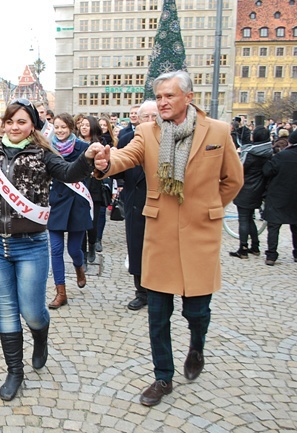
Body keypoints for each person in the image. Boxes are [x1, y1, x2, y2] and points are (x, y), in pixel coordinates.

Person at [87, 70, 243, 406]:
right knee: (158, 315)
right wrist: (104, 163)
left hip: (201, 235)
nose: (162, 103)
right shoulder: (148, 131)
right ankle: (162, 377)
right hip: (158, 236)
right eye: (158, 97)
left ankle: (197, 347)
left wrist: (209, 207)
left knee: (197, 312)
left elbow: (233, 180)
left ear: (188, 97)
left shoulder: (217, 131)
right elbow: (124, 157)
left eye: (169, 96)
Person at [0, 99, 94, 401]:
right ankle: (14, 371)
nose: (15, 127)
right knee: (6, 310)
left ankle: (40, 336)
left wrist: (89, 158)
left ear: (32, 125)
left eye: (22, 122)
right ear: (2, 124)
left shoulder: (43, 154)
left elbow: (70, 173)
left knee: (32, 311)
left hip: (30, 245)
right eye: (10, 122)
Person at [47, 113, 92, 309]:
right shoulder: (48, 149)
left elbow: (91, 174)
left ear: (71, 128)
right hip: (57, 202)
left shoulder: (83, 148)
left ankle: (79, 267)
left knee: (74, 249)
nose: (60, 131)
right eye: (57, 127)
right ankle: (61, 292)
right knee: (56, 250)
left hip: (77, 203)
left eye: (63, 127)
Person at [116, 100, 158, 311]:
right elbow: (117, 170)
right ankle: (141, 292)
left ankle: (159, 292)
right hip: (135, 202)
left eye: (154, 117)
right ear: (138, 120)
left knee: (159, 250)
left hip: (161, 204)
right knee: (136, 248)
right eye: (145, 117)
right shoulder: (127, 140)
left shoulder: (168, 140)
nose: (150, 121)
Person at [229, 126, 273, 259]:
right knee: (249, 218)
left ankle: (243, 248)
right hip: (258, 189)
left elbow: (239, 170)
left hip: (245, 188)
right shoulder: (268, 152)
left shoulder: (251, 153)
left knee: (243, 219)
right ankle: (255, 246)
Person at [78, 116, 111, 262]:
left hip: (94, 188)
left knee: (92, 223)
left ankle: (92, 244)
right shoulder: (75, 143)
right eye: (82, 125)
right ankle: (82, 253)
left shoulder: (100, 143)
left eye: (87, 125)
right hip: (79, 187)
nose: (84, 127)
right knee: (79, 223)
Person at [262, 129, 297, 266]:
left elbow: (267, 171)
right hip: (295, 197)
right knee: (296, 226)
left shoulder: (281, 156)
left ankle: (271, 255)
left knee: (274, 226)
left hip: (278, 195)